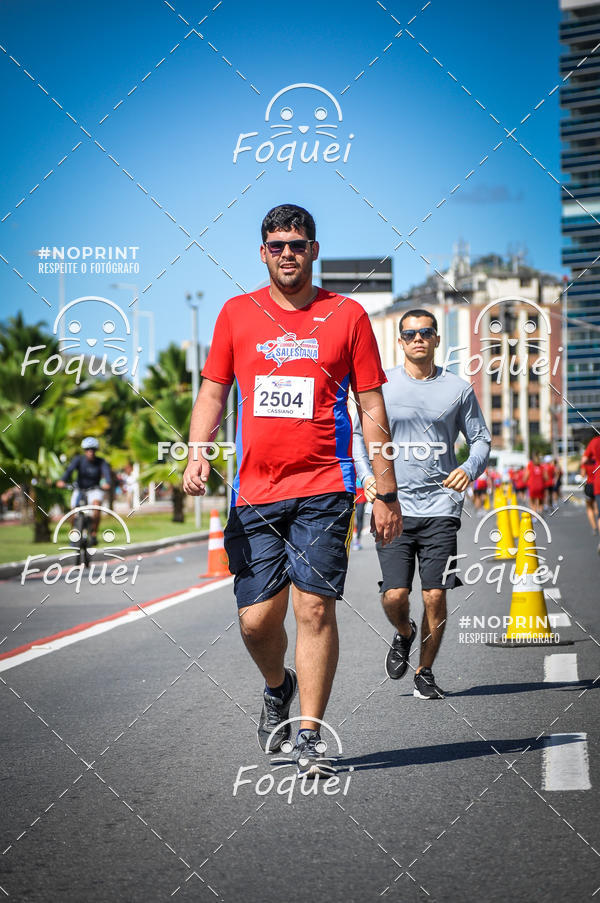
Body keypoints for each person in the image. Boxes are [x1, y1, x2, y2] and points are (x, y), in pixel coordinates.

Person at [182, 204, 402, 774]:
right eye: (277, 244)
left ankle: (308, 734)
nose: (287, 253)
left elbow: (371, 402)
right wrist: (198, 451)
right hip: (255, 491)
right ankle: (278, 686)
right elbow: (212, 392)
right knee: (256, 621)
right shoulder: (236, 314)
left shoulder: (347, 315)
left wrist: (385, 488)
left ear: (314, 249)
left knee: (314, 608)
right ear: (263, 252)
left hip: (326, 484)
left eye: (298, 244)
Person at [353, 309, 491, 700]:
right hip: (392, 506)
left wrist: (469, 467)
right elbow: (361, 440)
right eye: (410, 333)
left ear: (435, 340)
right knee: (395, 595)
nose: (418, 338)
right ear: (400, 342)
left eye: (425, 332)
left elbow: (481, 439)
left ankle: (425, 670)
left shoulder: (457, 389)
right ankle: (404, 632)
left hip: (441, 507)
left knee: (435, 594)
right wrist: (368, 478)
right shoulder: (380, 386)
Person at [56, 437, 111, 544]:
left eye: (93, 449)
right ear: (84, 450)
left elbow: (107, 475)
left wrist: (107, 483)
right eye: (87, 449)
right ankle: (73, 534)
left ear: (96, 450)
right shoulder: (78, 460)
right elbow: (69, 471)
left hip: (95, 489)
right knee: (73, 511)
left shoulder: (101, 462)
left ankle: (93, 534)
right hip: (79, 489)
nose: (90, 451)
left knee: (96, 506)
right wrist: (62, 481)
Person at [581, 436, 600, 549]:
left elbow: (582, 474)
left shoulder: (587, 461)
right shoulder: (596, 461)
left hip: (590, 485)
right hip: (596, 484)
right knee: (597, 508)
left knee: (589, 508)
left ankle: (594, 528)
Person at [352, 483, 367, 550]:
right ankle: (352, 537)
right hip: (352, 492)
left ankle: (357, 540)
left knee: (359, 516)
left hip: (361, 494)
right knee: (351, 517)